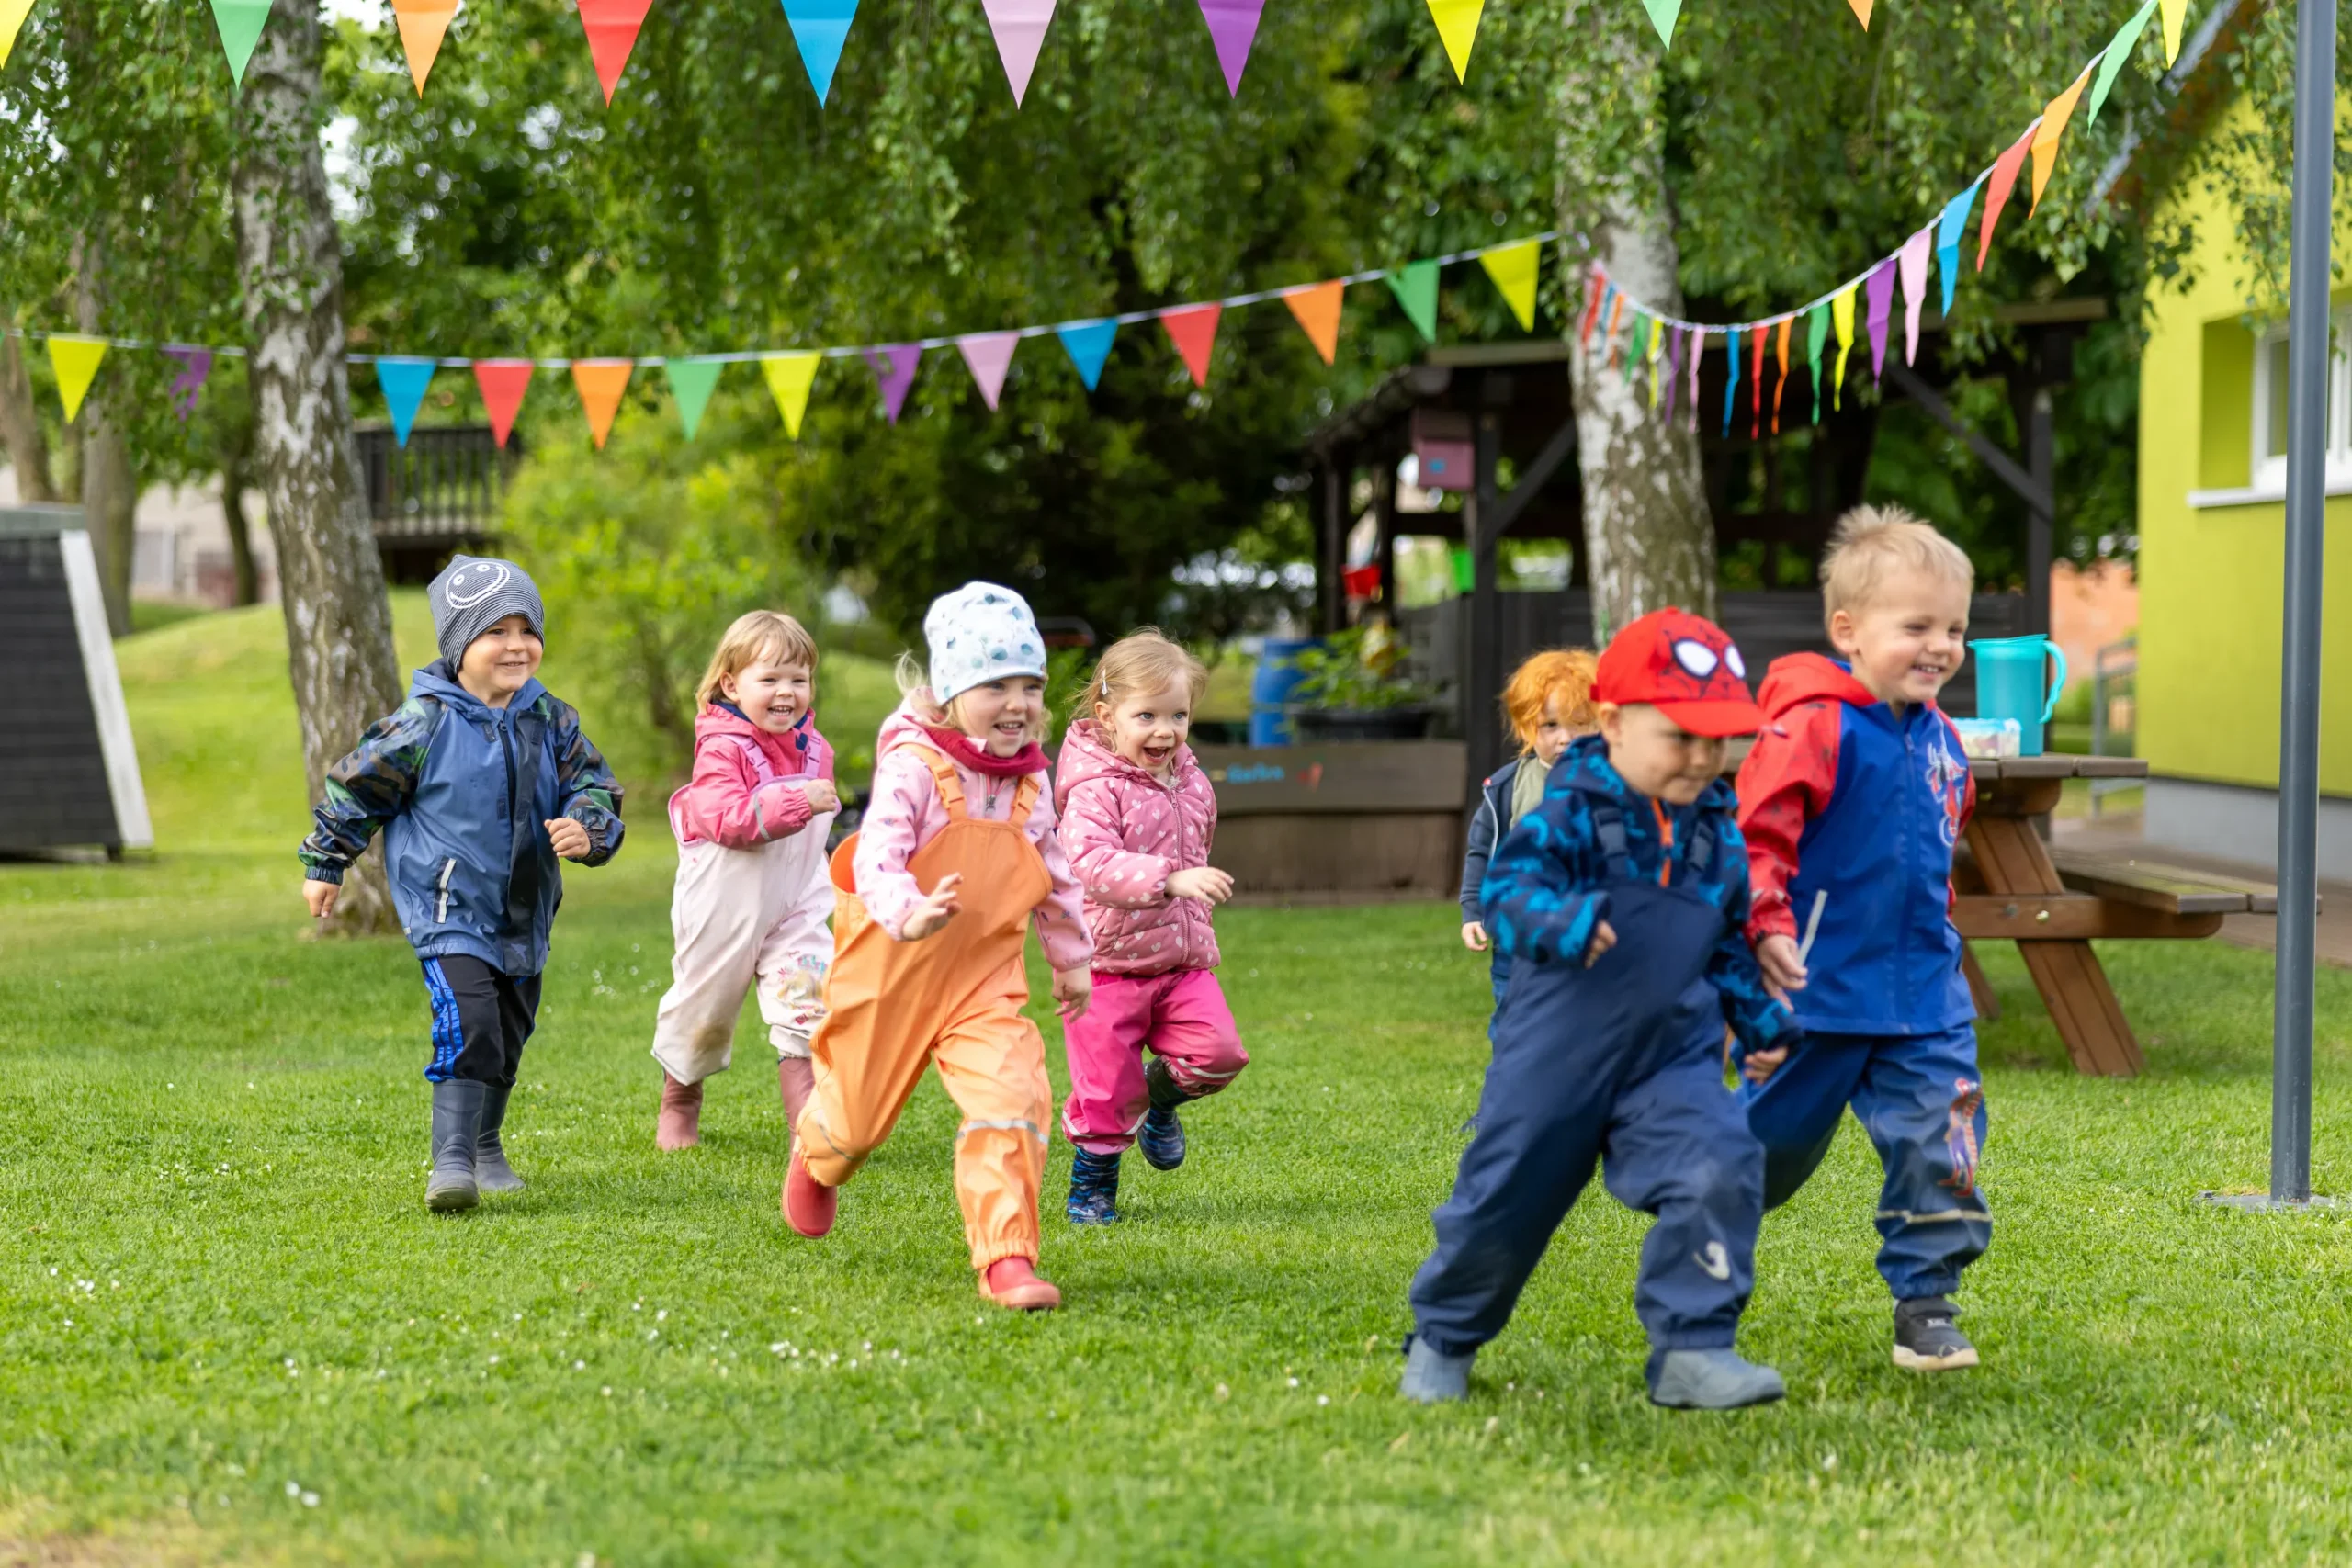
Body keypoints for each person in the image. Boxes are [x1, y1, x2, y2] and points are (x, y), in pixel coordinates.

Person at [1402, 608, 1797, 1410]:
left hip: (1671, 1058)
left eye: (1718, 739)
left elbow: (1723, 939)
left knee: (1719, 1159)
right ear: (1614, 724)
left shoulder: (1715, 831)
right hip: (1555, 1056)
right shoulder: (1570, 811)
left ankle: (1693, 1346)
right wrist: (1565, 920)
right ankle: (1445, 1335)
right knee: (1502, 1199)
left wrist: (1760, 1020)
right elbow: (1508, 895)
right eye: (1681, 735)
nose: (1701, 757)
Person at [783, 582, 1093, 1312]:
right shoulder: (915, 767)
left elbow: (1056, 874)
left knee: (1012, 1096)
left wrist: (1072, 958)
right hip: (890, 970)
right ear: (951, 689)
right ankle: (818, 1152)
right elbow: (874, 859)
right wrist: (907, 911)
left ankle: (1007, 1256)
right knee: (855, 1124)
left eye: (1030, 685)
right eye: (995, 685)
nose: (1017, 703)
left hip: (982, 980)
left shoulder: (1033, 784)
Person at [1736, 504, 1987, 1373]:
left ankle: (1926, 1303)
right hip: (1815, 988)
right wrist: (1764, 927)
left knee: (1941, 1140)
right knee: (1750, 1159)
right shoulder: (1813, 725)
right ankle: (1695, 1241)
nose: (1940, 645)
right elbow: (1756, 834)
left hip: (1923, 995)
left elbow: (1935, 855)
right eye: (1915, 625)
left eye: (1953, 627)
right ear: (1848, 629)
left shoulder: (1947, 741)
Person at [298, 555, 625, 1213]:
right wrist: (326, 862)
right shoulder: (424, 722)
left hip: (524, 908)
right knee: (468, 1018)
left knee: (508, 1030)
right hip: (446, 906)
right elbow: (356, 788)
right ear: (458, 646)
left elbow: (595, 784)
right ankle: (451, 1160)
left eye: (526, 630)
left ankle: (486, 1145)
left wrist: (589, 828)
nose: (515, 646)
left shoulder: (550, 719)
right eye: (494, 632)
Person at [1054, 630, 1244, 1225]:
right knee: (1105, 1091)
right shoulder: (1092, 788)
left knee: (1218, 1053)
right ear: (1108, 717)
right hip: (1106, 967)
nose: (1165, 730)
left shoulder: (1192, 782)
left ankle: (1159, 1099)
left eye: (1178, 714)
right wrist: (1170, 879)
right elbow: (1088, 863)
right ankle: (1094, 1184)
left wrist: (1190, 903)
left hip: (1179, 961)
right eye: (1147, 715)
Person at [649, 611, 840, 1163]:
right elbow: (722, 818)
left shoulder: (815, 748)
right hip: (725, 901)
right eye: (771, 679)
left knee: (808, 998)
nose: (787, 693)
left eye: (799, 679)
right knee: (704, 1006)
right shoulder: (722, 747)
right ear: (732, 684)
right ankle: (681, 1097)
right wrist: (801, 801)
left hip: (794, 899)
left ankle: (808, 1125)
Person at [1461, 649, 1600, 1006]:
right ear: (1527, 725)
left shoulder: (1615, 784)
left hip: (1590, 931)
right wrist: (1473, 911)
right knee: (1515, 1017)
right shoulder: (1508, 787)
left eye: (1579, 723)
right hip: (1519, 936)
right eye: (1550, 725)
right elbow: (1482, 850)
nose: (1565, 738)